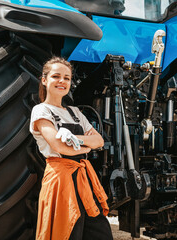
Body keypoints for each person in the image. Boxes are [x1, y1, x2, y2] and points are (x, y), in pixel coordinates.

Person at [29, 56, 113, 240]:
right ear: (44, 80)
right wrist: (86, 146)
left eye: (67, 78)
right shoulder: (41, 111)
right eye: (56, 76)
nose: (62, 81)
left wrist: (74, 139)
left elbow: (99, 141)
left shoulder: (75, 112)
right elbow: (60, 147)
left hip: (83, 179)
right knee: (67, 231)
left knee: (100, 232)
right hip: (60, 180)